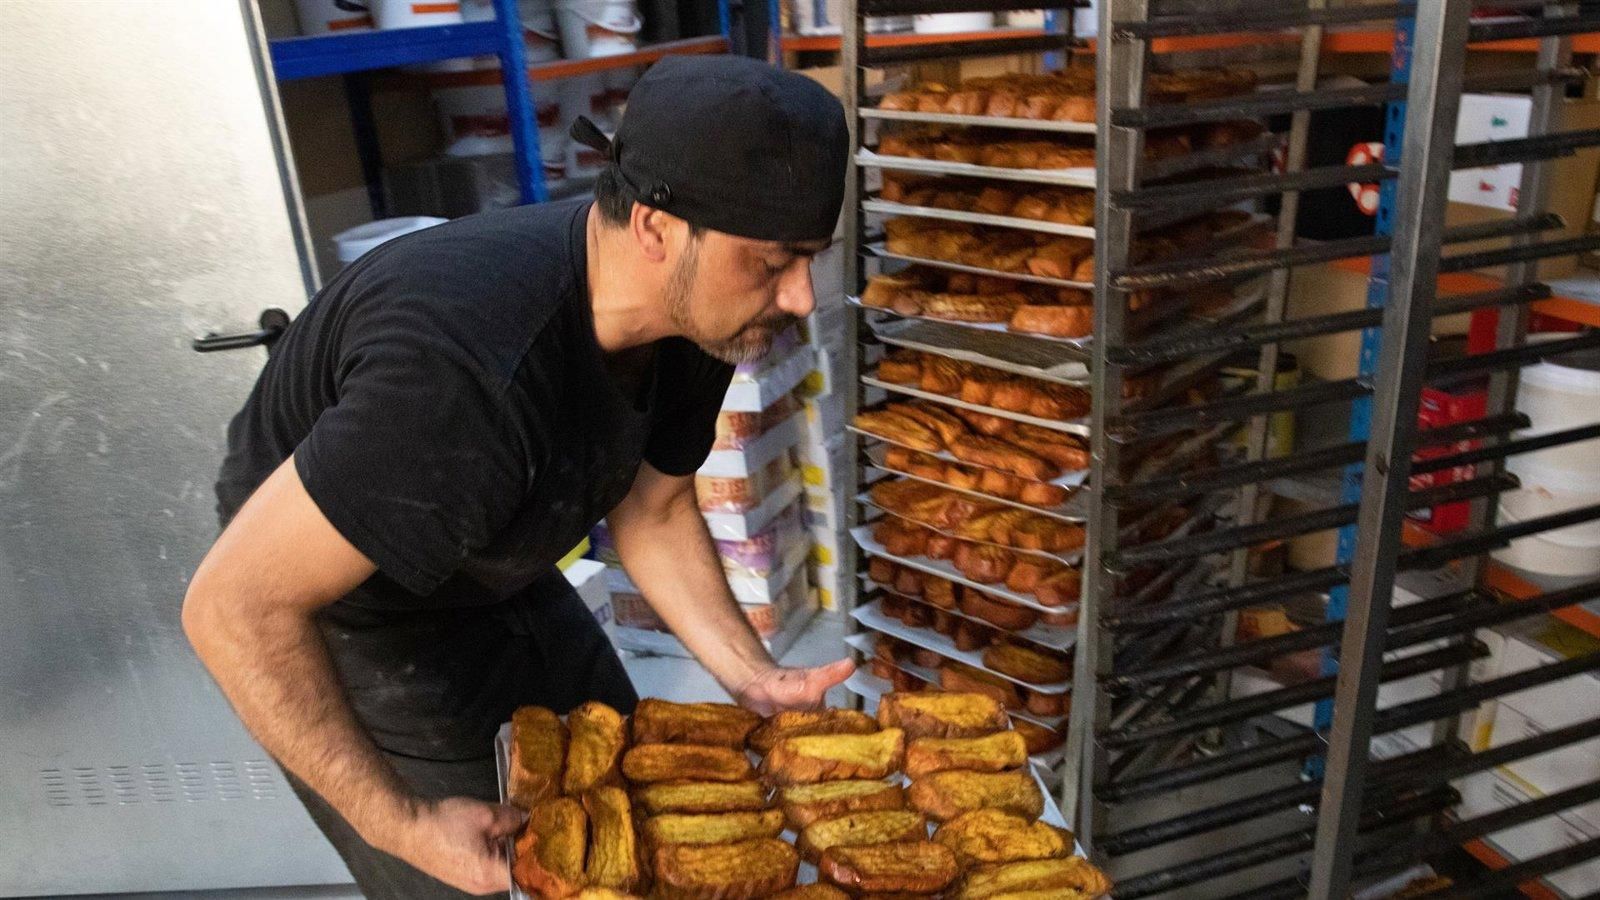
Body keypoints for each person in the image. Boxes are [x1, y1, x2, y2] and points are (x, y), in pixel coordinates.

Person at [182, 55, 852, 898]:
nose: (800, 297)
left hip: (490, 546)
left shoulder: (696, 310)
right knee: (496, 868)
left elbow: (653, 508)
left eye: (812, 259)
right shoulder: (465, 375)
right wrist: (403, 824)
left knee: (628, 804)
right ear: (655, 227)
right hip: (340, 601)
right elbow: (233, 608)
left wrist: (750, 675)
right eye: (775, 261)